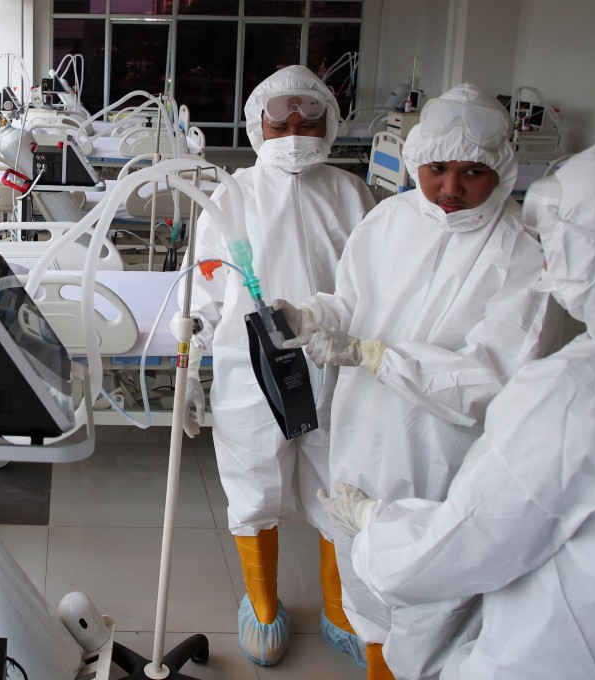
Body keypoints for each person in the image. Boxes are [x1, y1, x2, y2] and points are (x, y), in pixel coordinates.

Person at [322, 138, 595, 679]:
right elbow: (352, 297)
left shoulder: (575, 394)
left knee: (425, 621)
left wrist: (375, 523)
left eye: (563, 242)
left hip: (563, 652)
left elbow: (462, 545)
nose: (550, 259)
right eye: (437, 167)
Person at [274, 82, 562, 679]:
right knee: (363, 579)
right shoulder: (390, 219)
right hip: (363, 432)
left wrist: (376, 357)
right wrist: (312, 316)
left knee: (431, 603)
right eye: (436, 169)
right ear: (416, 161)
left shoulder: (520, 253)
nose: (450, 188)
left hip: (445, 456)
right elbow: (352, 299)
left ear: (501, 169)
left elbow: (489, 378)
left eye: (472, 172)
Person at [177, 64, 375, 666]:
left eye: (307, 121)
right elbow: (204, 295)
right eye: (280, 121)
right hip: (250, 369)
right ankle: (263, 607)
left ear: (329, 124)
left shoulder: (352, 194)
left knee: (341, 489)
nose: (293, 132)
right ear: (257, 124)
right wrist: (189, 368)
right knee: (253, 486)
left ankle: (341, 607)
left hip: (336, 366)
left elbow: (374, 289)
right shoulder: (231, 197)